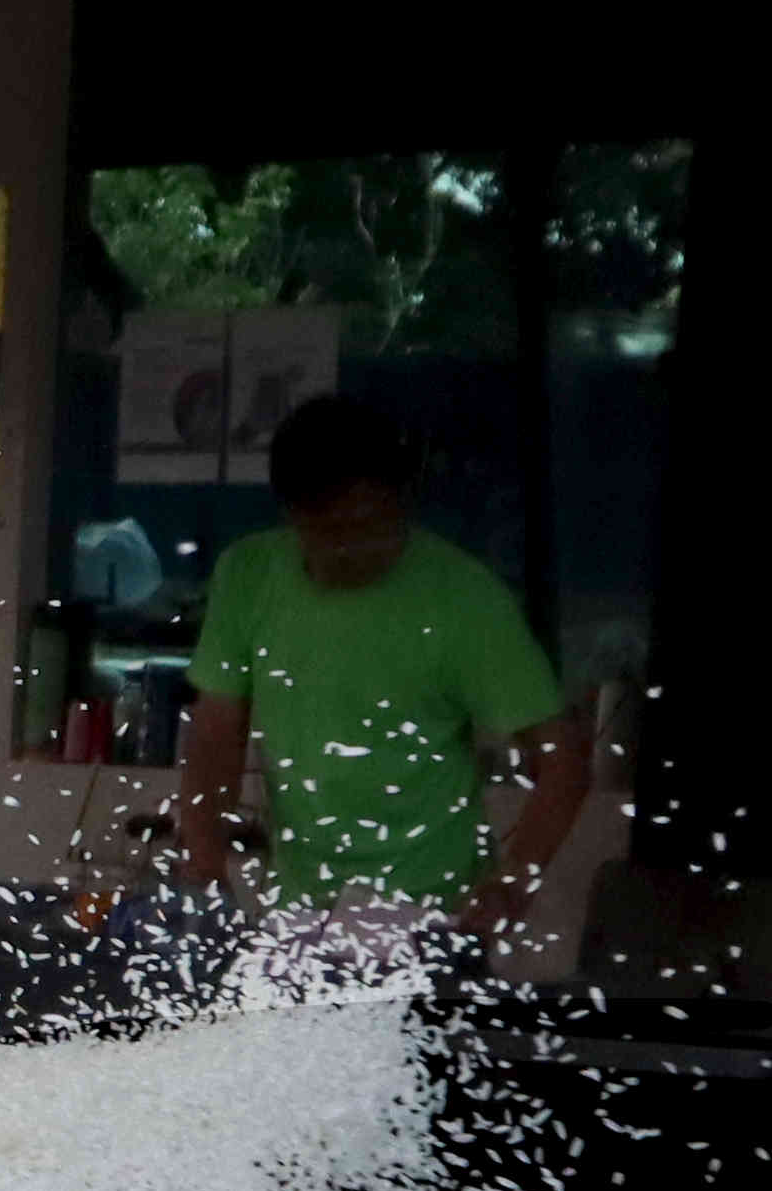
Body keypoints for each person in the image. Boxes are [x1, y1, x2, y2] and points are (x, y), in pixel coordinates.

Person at [176, 396, 584, 942]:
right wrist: (205, 865)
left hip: (433, 915)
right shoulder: (248, 577)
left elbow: (564, 759)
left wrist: (512, 882)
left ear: (403, 503)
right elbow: (214, 733)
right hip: (302, 912)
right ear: (291, 514)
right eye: (330, 529)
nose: (352, 548)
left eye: (370, 525)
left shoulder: (464, 599)